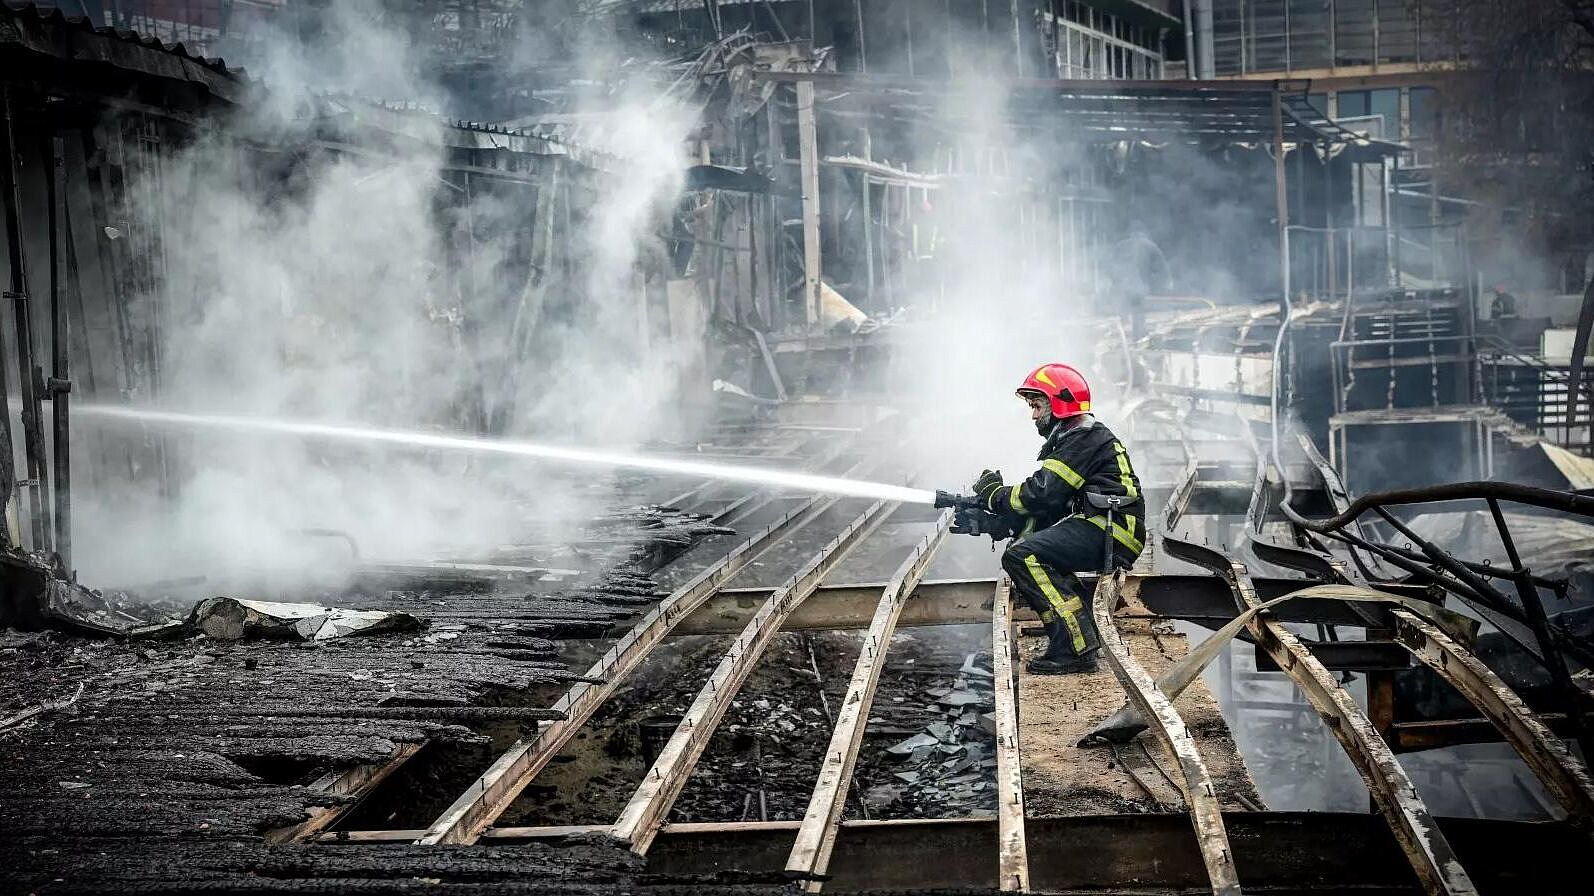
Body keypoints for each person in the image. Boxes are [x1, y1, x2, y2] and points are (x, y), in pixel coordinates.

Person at [955, 364, 1145, 674]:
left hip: (1112, 529)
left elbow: (1042, 494)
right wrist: (999, 523)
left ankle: (1073, 647)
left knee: (1022, 556)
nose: (1032, 415)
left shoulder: (1083, 437)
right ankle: (1082, 634)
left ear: (1059, 403)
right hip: (1106, 524)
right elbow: (1049, 508)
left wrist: (995, 495)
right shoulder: (1080, 437)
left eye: (1036, 405)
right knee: (1032, 548)